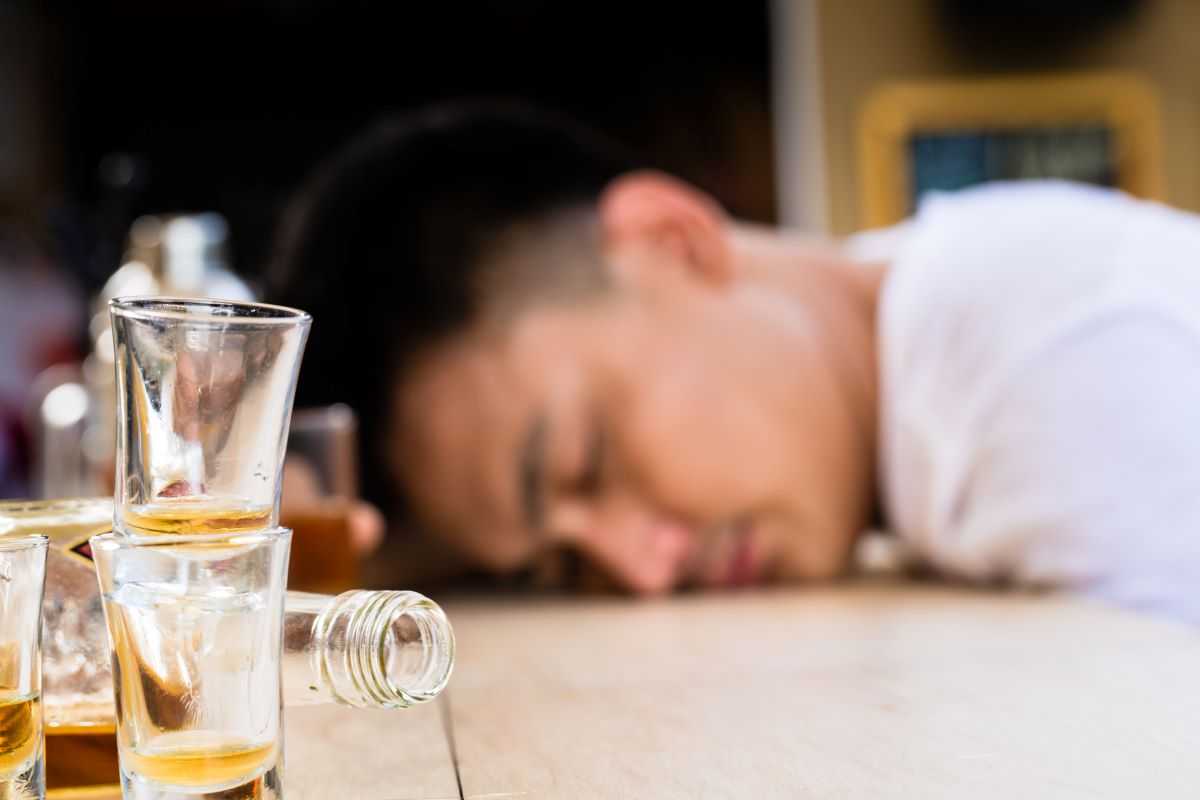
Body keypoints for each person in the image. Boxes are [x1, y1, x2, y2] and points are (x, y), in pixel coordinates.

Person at [268, 101, 1200, 623]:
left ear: (671, 239)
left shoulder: (1043, 369)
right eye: (555, 564)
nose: (642, 571)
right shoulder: (935, 339)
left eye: (585, 461)